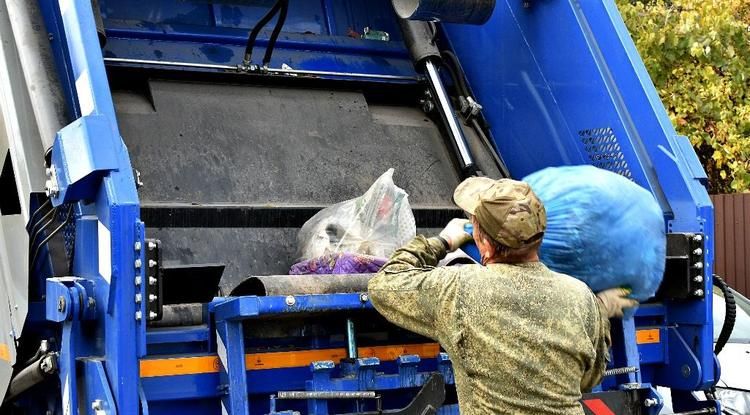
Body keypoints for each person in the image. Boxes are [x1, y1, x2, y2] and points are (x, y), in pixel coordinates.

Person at [368, 177, 638, 415]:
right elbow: (587, 378)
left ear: (482, 242)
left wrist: (443, 241)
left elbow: (384, 283)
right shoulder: (581, 296)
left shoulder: (459, 289)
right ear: (538, 235)